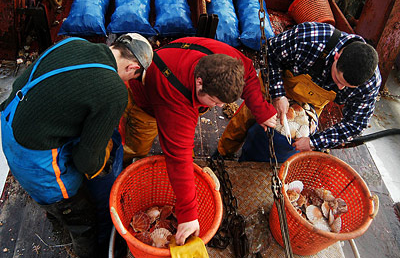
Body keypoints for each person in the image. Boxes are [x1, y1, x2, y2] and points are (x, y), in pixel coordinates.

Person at [0, 33, 153, 258]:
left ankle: (53, 213)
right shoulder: (114, 91)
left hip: (9, 123)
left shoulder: (74, 43)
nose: (129, 83)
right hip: (34, 157)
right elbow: (86, 162)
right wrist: (101, 167)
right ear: (132, 67)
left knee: (50, 201)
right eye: (134, 78)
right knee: (82, 218)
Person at [122, 37, 277, 245]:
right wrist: (188, 213)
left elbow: (248, 72)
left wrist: (261, 110)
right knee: (137, 144)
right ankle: (125, 166)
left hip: (178, 73)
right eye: (214, 101)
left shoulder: (225, 61)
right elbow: (178, 156)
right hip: (146, 102)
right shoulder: (176, 97)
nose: (218, 107)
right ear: (199, 82)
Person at [219, 21, 381, 160]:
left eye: (347, 87)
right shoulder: (311, 38)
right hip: (280, 81)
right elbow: (270, 52)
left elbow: (355, 124)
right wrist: (278, 94)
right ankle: (222, 153)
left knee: (290, 141)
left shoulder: (370, 84)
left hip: (311, 103)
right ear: (336, 56)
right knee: (247, 117)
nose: (340, 88)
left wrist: (314, 142)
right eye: (338, 80)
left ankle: (260, 164)